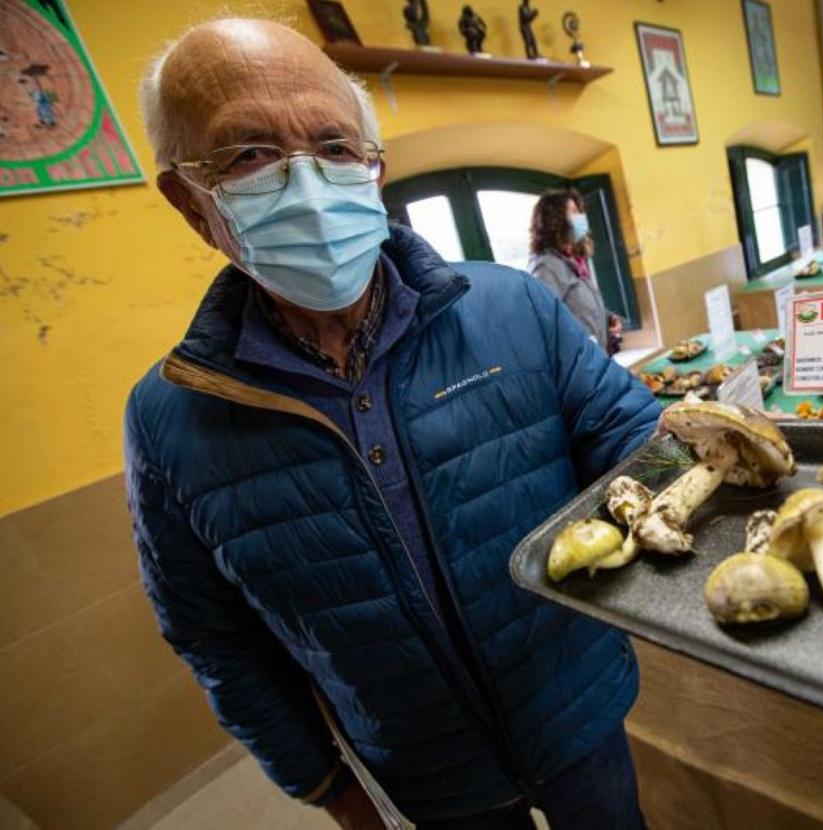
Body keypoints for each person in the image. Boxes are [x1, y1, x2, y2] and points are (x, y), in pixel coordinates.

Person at [126, 19, 658, 829]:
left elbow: (642, 449)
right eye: (249, 155)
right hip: (425, 774)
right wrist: (327, 789)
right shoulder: (170, 418)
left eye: (335, 146)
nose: (306, 185)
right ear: (191, 203)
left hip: (577, 707)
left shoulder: (510, 307)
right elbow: (214, 642)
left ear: (372, 173)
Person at [528, 189, 608, 347]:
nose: (581, 218)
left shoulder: (575, 260)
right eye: (573, 212)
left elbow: (578, 306)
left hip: (595, 356)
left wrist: (607, 318)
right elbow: (545, 322)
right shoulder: (546, 266)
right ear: (554, 221)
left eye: (580, 212)